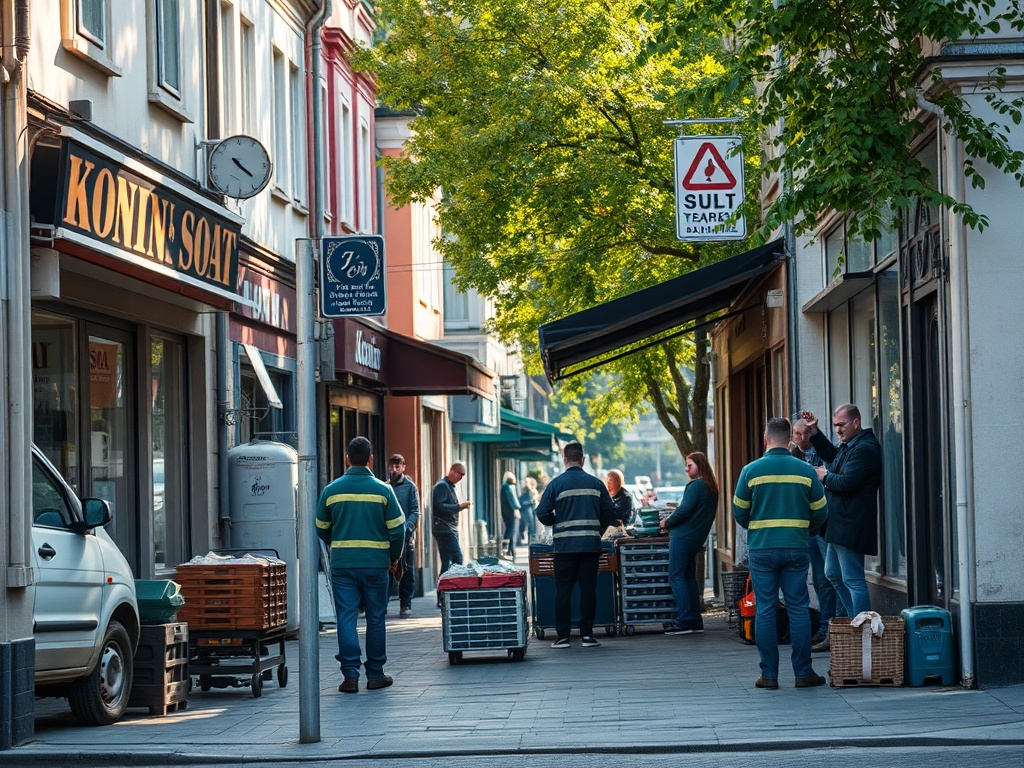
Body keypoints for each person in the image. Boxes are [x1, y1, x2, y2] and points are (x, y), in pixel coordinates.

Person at [733, 417, 828, 690]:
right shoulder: (805, 471)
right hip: (796, 547)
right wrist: (804, 529)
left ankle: (769, 675)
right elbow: (821, 511)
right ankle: (803, 672)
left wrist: (758, 527)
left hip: (762, 548)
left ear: (766, 438)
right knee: (798, 608)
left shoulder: (750, 471)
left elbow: (739, 511)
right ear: (789, 439)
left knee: (765, 609)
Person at [316, 436, 406, 693]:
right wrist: (393, 558)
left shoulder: (331, 491)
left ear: (347, 459)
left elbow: (320, 527)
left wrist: (337, 543)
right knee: (376, 618)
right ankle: (375, 674)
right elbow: (398, 529)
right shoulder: (383, 490)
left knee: (346, 617)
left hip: (343, 565)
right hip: (376, 565)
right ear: (371, 460)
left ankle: (350, 675)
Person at [802, 405, 882, 624]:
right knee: (833, 574)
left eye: (841, 425)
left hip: (850, 525)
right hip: (838, 524)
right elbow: (833, 457)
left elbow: (847, 482)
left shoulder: (865, 448)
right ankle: (854, 621)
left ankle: (862, 629)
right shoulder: (850, 445)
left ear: (856, 422)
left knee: (853, 580)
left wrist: (825, 477)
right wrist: (815, 432)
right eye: (835, 425)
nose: (837, 429)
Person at [535, 442, 617, 649]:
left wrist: (557, 522)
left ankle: (563, 637)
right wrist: (597, 529)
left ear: (565, 460)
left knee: (563, 590)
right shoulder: (596, 484)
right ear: (583, 459)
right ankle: (587, 635)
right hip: (590, 545)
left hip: (564, 547)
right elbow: (610, 512)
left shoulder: (556, 484)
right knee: (588, 590)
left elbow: (542, 513)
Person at [791, 418, 839, 650]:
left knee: (829, 577)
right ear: (792, 436)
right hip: (806, 525)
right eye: (798, 434)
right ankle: (824, 627)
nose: (803, 438)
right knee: (819, 580)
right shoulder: (791, 457)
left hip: (824, 523)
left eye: (807, 433)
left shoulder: (823, 451)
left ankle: (829, 629)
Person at [662, 452, 719, 635]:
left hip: (682, 538)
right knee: (688, 577)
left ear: (699, 466)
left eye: (690, 465)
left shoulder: (696, 486)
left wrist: (666, 522)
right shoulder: (710, 486)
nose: (686, 469)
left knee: (676, 576)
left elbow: (685, 510)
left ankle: (684, 620)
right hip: (696, 539)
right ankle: (695, 620)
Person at [387, 454, 420, 620]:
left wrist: (406, 527)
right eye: (391, 467)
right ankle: (382, 604)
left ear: (403, 467)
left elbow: (415, 511)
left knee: (407, 570)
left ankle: (405, 604)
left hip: (406, 537)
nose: (393, 470)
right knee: (386, 571)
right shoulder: (385, 486)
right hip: (388, 536)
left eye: (397, 467)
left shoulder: (410, 487)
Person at [431, 462, 471, 586]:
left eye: (463, 475)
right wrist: (459, 506)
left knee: (446, 562)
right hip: (444, 529)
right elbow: (439, 507)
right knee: (457, 557)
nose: (461, 478)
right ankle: (453, 586)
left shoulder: (448, 486)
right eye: (460, 474)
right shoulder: (442, 486)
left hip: (447, 528)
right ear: (452, 471)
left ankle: (444, 588)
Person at [499, 471, 521, 559]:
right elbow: (509, 500)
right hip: (510, 512)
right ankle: (506, 549)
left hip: (511, 511)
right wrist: (514, 510)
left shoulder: (510, 487)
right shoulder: (506, 487)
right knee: (511, 530)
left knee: (513, 531)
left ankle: (511, 550)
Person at [518, 476, 539, 544]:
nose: (525, 483)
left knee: (531, 525)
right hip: (527, 509)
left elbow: (534, 499)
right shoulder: (526, 490)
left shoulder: (531, 490)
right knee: (530, 525)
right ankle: (531, 540)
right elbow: (522, 500)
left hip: (531, 509)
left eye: (526, 481)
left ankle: (532, 540)